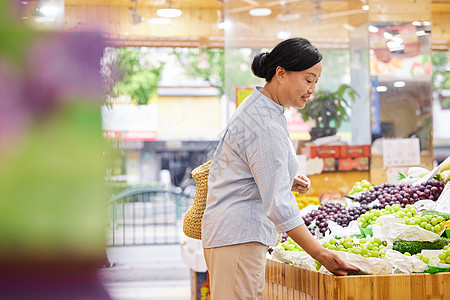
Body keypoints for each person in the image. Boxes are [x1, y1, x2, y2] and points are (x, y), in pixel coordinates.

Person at [201, 37, 359, 299]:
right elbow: (278, 204)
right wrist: (319, 253)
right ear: (281, 74)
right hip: (239, 236)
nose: (312, 90)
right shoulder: (265, 122)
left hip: (234, 236)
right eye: (308, 80)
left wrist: (284, 178)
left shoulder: (262, 108)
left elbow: (249, 170)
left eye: (315, 82)